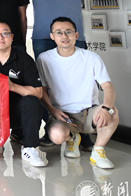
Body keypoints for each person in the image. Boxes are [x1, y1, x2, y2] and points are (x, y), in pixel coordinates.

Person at [37, 17, 119, 169]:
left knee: (112, 111)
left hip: (89, 112)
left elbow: (107, 86)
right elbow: (42, 89)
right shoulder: (44, 59)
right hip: (62, 114)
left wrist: (106, 108)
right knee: (56, 135)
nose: (64, 36)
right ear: (52, 36)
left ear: (76, 35)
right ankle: (72, 139)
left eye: (68, 32)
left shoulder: (91, 57)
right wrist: (52, 110)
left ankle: (98, 151)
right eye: (59, 32)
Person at [0, 21, 47, 167]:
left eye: (5, 33)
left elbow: (38, 92)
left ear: (12, 37)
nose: (0, 37)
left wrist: (12, 86)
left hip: (16, 112)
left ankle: (30, 148)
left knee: (32, 101)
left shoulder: (24, 59)